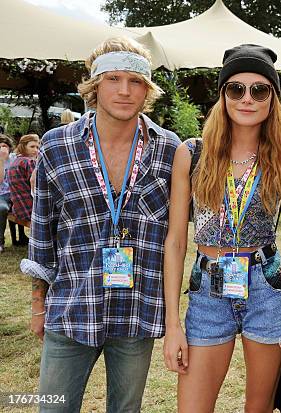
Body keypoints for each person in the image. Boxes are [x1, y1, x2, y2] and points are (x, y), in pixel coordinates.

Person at [20, 37, 180, 412]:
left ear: (147, 90)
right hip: (72, 308)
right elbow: (42, 235)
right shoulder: (57, 146)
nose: (125, 90)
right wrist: (37, 305)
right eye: (113, 79)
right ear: (94, 87)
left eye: (136, 81)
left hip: (136, 312)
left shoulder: (170, 149)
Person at [162, 44, 281, 412]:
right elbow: (174, 242)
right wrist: (172, 324)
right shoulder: (193, 153)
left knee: (259, 407)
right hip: (207, 289)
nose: (247, 98)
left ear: (272, 99)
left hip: (267, 285)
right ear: (223, 96)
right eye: (236, 88)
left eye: (259, 89)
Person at [7, 134, 39, 245]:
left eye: (37, 147)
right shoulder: (29, 162)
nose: (36, 150)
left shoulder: (15, 161)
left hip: (18, 209)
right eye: (32, 146)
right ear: (23, 146)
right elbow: (38, 187)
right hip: (30, 210)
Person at [0, 134, 15, 253]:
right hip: (1, 195)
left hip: (16, 193)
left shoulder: (14, 158)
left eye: (4, 146)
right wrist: (1, 160)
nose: (2, 148)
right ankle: (0, 241)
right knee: (2, 208)